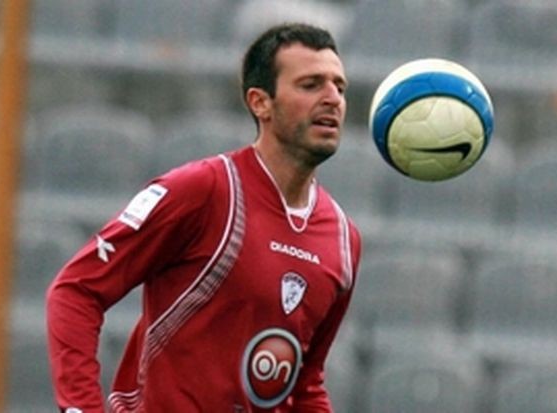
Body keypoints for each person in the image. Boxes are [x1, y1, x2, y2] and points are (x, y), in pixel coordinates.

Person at [46, 22, 362, 413]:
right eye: (311, 85)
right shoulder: (204, 191)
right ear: (260, 102)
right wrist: (80, 408)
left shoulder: (343, 239)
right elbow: (76, 291)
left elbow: (305, 383)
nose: (333, 99)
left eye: (340, 87)